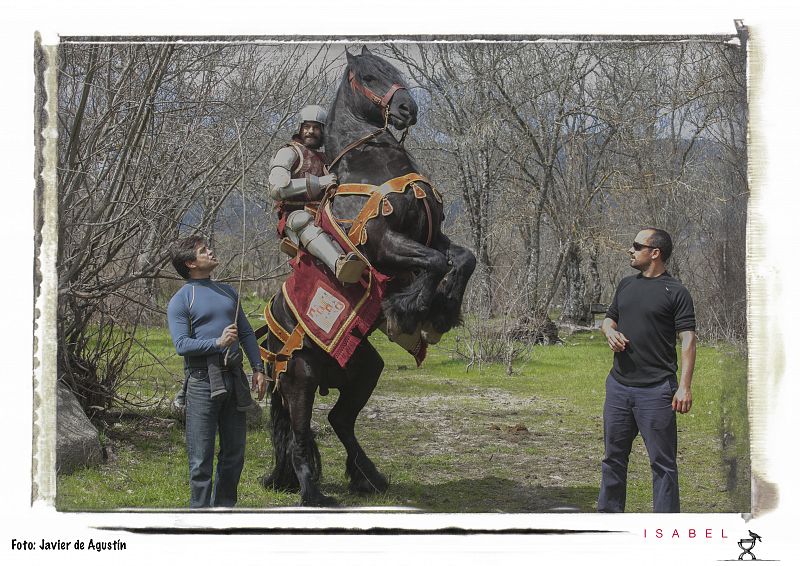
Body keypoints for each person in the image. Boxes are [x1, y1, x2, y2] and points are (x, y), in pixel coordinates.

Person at [597, 228, 697, 513]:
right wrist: (609, 332)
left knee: (663, 465)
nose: (630, 250)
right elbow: (609, 320)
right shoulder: (626, 285)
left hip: (657, 391)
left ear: (655, 253)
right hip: (618, 387)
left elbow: (688, 339)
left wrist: (684, 386)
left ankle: (664, 530)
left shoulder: (676, 292)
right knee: (613, 459)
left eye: (636, 246)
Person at [167, 235, 267, 508]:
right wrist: (217, 343)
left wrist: (258, 368)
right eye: (203, 250)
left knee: (234, 454)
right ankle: (200, 516)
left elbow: (246, 333)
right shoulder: (182, 299)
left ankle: (224, 511)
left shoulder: (228, 292)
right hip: (201, 383)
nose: (211, 251)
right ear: (190, 263)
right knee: (201, 458)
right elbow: (181, 345)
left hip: (234, 379)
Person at [267, 104, 366, 283]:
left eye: (316, 127)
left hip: (327, 214)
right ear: (300, 128)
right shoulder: (289, 152)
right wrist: (319, 183)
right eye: (307, 126)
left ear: (323, 131)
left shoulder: (327, 158)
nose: (310, 131)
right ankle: (339, 265)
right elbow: (276, 189)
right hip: (295, 215)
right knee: (302, 220)